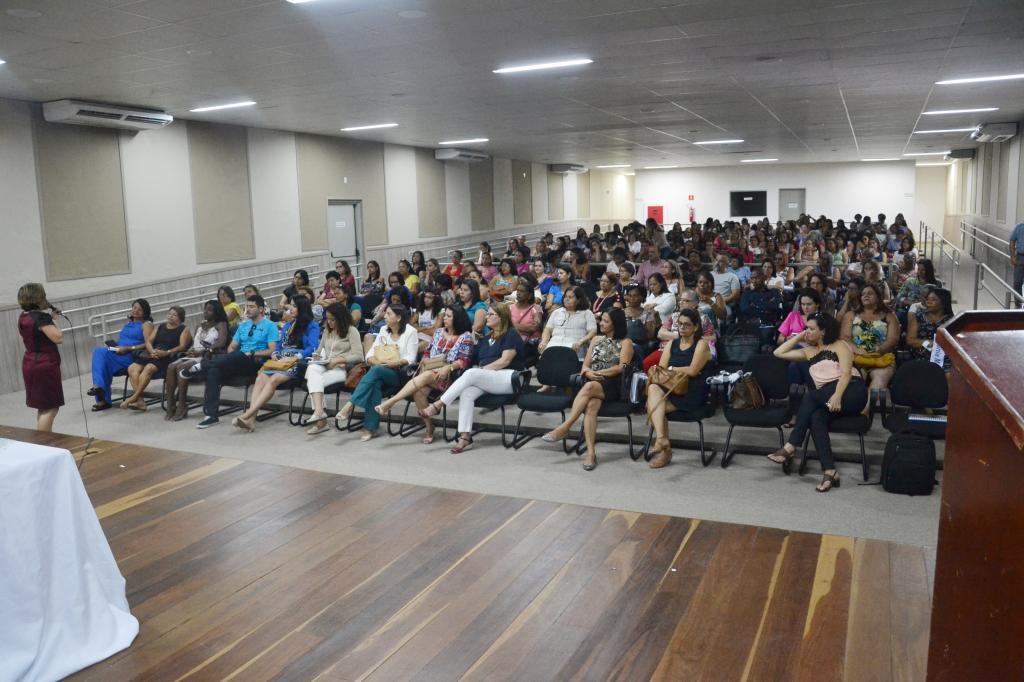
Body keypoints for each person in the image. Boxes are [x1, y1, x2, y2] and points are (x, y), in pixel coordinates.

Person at [769, 313, 867, 492]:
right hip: (826, 397)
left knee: (810, 396)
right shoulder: (808, 352)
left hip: (851, 390)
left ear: (823, 331)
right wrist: (800, 335)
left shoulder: (839, 345)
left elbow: (846, 373)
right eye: (806, 328)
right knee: (816, 418)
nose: (807, 331)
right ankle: (830, 471)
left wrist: (837, 395)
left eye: (811, 328)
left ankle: (791, 446)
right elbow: (778, 353)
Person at [420, 303, 525, 454]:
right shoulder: (485, 338)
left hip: (509, 377)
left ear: (502, 317)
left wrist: (480, 371)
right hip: (488, 379)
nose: (486, 317)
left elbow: (504, 361)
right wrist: (450, 361)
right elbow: (469, 359)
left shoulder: (511, 334)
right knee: (467, 392)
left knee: (471, 373)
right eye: (487, 313)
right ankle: (465, 436)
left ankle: (437, 405)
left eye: (491, 314)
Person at [542, 309, 634, 470]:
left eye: (605, 321)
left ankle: (566, 426)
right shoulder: (596, 339)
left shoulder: (626, 342)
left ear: (616, 324)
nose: (601, 324)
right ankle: (591, 454)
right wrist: (587, 372)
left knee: (589, 386)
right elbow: (585, 365)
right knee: (591, 406)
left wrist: (597, 373)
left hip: (613, 384)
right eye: (601, 320)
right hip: (592, 381)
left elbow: (621, 368)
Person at [374, 306, 475, 443]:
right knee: (418, 391)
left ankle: (391, 402)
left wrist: (448, 368)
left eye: (448, 316)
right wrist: (425, 359)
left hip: (449, 376)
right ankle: (429, 427)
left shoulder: (466, 337)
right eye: (444, 315)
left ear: (457, 318)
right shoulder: (438, 332)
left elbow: (464, 361)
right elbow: (427, 352)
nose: (444, 318)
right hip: (429, 372)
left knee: (426, 376)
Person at [231, 297, 319, 431]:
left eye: (294, 306)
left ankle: (248, 414)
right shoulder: (288, 325)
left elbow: (313, 347)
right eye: (291, 305)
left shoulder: (312, 325)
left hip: (297, 361)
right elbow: (279, 345)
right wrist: (276, 353)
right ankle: (251, 420)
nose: (290, 308)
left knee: (274, 380)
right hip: (280, 360)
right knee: (260, 379)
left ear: (303, 308)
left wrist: (297, 356)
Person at [195, 294, 279, 429]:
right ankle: (211, 416)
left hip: (256, 362)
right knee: (215, 370)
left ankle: (202, 365)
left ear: (261, 309)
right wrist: (233, 357)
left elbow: (272, 350)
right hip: (238, 360)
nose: (248, 309)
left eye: (251, 307)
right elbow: (231, 347)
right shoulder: (243, 326)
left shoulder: (270, 326)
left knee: (240, 355)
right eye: (246, 306)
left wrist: (252, 353)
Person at [337, 304, 418, 441]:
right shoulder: (383, 330)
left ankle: (350, 404)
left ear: (398, 317)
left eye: (388, 314)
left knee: (376, 371)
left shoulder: (411, 332)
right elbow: (369, 355)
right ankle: (370, 428)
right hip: (380, 371)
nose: (384, 316)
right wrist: (378, 362)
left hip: (400, 374)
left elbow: (411, 358)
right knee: (375, 383)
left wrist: (395, 363)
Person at [645, 308, 712, 469]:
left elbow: (693, 371)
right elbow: (661, 370)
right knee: (653, 389)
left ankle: (664, 450)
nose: (682, 327)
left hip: (692, 391)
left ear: (696, 327)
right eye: (680, 324)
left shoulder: (701, 344)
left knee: (653, 407)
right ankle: (662, 440)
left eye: (687, 325)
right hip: (672, 388)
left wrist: (672, 368)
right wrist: (677, 369)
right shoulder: (672, 344)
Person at [305, 303, 364, 435]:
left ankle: (321, 420)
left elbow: (359, 356)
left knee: (313, 381)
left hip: (341, 369)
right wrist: (317, 355)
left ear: (341, 318)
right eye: (328, 319)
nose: (329, 322)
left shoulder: (351, 331)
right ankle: (319, 413)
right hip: (325, 365)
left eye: (333, 319)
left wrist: (340, 359)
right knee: (312, 368)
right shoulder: (328, 331)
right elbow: (319, 349)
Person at [165, 300, 229, 421]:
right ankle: (171, 404)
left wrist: (205, 350)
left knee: (181, 367)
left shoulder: (221, 324)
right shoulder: (200, 324)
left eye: (209, 310)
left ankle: (182, 405)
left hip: (207, 356)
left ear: (216, 312)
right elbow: (195, 342)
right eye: (205, 309)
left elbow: (221, 342)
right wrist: (190, 350)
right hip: (194, 355)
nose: (206, 312)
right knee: (171, 367)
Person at [120, 305, 191, 411]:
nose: (170, 316)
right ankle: (140, 401)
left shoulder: (184, 329)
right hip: (153, 353)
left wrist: (166, 352)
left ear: (180, 318)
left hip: (168, 357)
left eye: (174, 315)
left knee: (149, 368)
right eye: (169, 314)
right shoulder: (161, 326)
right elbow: (148, 341)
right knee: (132, 368)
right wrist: (152, 351)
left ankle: (134, 397)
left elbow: (182, 346)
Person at [88, 298, 154, 411]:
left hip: (132, 355)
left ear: (145, 312)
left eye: (139, 309)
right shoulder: (128, 323)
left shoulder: (146, 324)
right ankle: (99, 390)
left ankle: (102, 397)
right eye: (134, 308)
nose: (136, 311)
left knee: (102, 358)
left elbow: (148, 344)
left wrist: (129, 348)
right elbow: (124, 340)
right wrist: (117, 346)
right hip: (120, 352)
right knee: (99, 353)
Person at [841, 282, 899, 407]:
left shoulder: (889, 316)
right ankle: (851, 409)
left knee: (881, 377)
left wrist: (879, 350)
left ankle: (865, 412)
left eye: (870, 293)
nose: (866, 296)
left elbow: (893, 339)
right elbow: (844, 337)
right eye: (863, 294)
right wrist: (857, 350)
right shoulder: (851, 315)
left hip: (881, 358)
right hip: (855, 357)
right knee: (852, 377)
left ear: (878, 297)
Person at [17, 283, 64, 432]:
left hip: (30, 363)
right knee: (51, 408)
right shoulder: (42, 318)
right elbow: (58, 338)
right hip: (45, 366)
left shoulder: (23, 316)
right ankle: (44, 442)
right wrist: (55, 320)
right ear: (38, 297)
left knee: (43, 407)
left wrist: (51, 318)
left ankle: (43, 438)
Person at [539, 286, 597, 359]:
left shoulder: (587, 313)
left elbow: (592, 332)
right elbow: (548, 329)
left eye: (570, 297)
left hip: (574, 348)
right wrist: (544, 341)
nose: (566, 299)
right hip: (553, 346)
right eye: (565, 296)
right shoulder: (557, 312)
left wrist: (581, 342)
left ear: (579, 300)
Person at [906, 287, 954, 365]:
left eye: (933, 300)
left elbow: (953, 344)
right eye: (927, 299)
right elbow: (910, 341)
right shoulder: (918, 316)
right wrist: (931, 343)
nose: (928, 302)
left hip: (943, 359)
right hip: (921, 358)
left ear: (943, 303)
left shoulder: (951, 321)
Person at [1012, 220, 1024, 302]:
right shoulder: (1019, 227)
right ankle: (1018, 303)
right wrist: (1012, 256)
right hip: (1020, 257)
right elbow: (1012, 240)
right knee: (1017, 282)